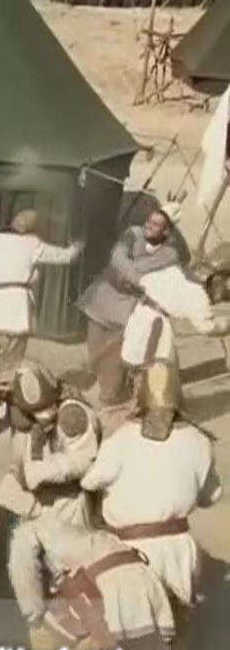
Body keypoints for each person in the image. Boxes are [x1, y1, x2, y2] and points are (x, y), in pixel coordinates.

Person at [7, 490, 174, 650]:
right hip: (141, 579)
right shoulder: (82, 526)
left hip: (103, 588)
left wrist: (33, 615)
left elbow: (25, 578)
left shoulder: (28, 531)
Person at [81, 362, 219, 609]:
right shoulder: (199, 440)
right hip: (180, 551)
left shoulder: (120, 440)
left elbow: (89, 482)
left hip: (131, 550)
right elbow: (212, 496)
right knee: (180, 619)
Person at [0, 362, 98, 578]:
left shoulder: (73, 414)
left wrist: (33, 473)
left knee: (57, 573)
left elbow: (83, 461)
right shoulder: (16, 402)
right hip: (20, 499)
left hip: (62, 503)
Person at [78, 208, 183, 408]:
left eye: (156, 224)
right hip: (102, 298)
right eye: (149, 221)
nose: (149, 225)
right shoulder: (133, 233)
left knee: (113, 364)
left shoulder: (169, 254)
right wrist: (137, 275)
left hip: (126, 310)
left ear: (167, 231)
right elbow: (117, 257)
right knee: (94, 357)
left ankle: (114, 397)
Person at [0, 209, 83, 380]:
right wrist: (78, 246)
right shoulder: (32, 244)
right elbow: (65, 257)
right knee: (10, 367)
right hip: (14, 311)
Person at [120, 236, 223, 381]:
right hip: (153, 323)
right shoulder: (196, 295)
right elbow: (208, 328)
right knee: (159, 367)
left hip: (141, 313)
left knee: (143, 357)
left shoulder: (173, 270)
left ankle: (139, 379)